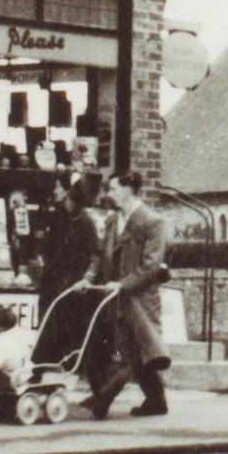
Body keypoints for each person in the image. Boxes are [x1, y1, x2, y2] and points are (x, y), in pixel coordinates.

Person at [78, 171, 171, 418]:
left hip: (138, 300)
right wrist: (88, 278)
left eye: (113, 189)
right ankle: (157, 402)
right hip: (112, 297)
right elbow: (99, 256)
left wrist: (123, 284)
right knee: (138, 351)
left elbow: (151, 265)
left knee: (127, 349)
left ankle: (103, 399)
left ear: (129, 190)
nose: (109, 194)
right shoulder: (112, 221)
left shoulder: (153, 222)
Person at [30, 173, 105, 371]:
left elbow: (96, 255)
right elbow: (45, 248)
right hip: (51, 284)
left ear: (69, 191)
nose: (54, 191)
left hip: (70, 287)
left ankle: (46, 372)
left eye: (57, 187)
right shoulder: (57, 217)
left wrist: (86, 279)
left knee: (58, 332)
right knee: (46, 327)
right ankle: (40, 373)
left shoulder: (86, 222)